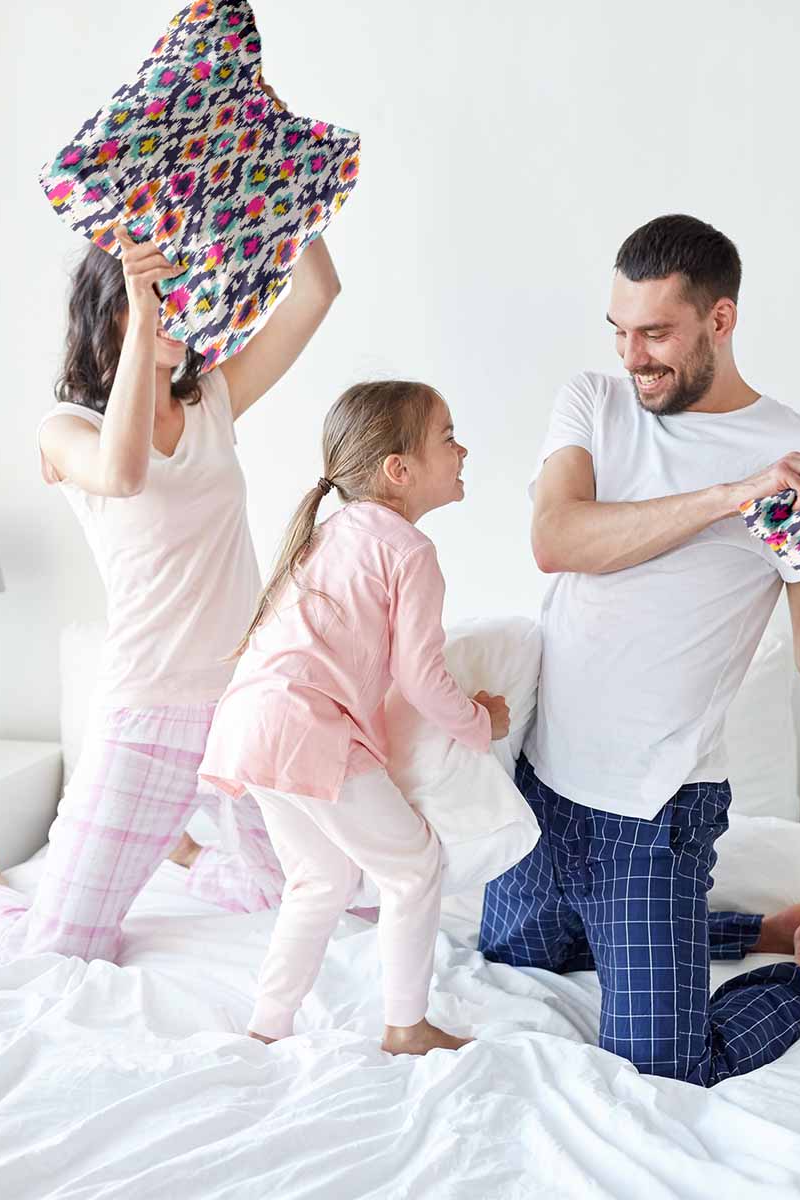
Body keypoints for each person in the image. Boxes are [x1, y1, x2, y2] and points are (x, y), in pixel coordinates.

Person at [480, 214, 800, 1086]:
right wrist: (732, 498)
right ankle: (763, 922)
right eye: (620, 330)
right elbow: (558, 537)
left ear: (720, 321)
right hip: (546, 778)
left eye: (656, 333)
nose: (632, 354)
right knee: (514, 947)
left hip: (653, 811)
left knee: (666, 1065)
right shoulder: (595, 401)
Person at [0, 215, 341, 960]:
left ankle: (190, 855)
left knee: (297, 891)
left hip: (247, 700)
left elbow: (319, 290)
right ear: (113, 312)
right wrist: (141, 301)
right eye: (161, 296)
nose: (180, 312)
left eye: (186, 296)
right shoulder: (64, 428)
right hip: (149, 711)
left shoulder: (214, 401)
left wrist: (283, 170)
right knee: (59, 952)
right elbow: (123, 473)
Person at [198, 381, 511, 1056]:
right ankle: (405, 1025)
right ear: (400, 470)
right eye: (448, 437)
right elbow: (422, 679)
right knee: (413, 867)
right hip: (308, 730)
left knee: (321, 879)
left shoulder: (331, 534)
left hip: (250, 723)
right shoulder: (407, 550)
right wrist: (481, 723)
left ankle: (267, 1025)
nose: (463, 450)